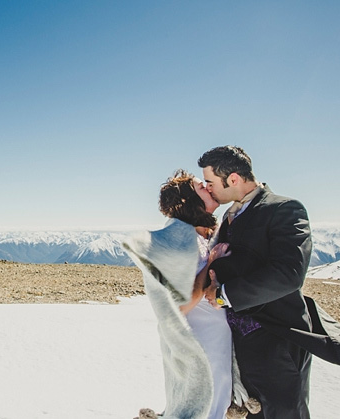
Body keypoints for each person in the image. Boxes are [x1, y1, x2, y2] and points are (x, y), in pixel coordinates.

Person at [124, 169, 252, 419]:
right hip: (201, 341)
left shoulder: (193, 234)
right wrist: (211, 263)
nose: (208, 188)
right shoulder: (182, 240)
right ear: (187, 201)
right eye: (201, 187)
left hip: (209, 337)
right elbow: (178, 304)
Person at [199, 146, 314, 418]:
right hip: (238, 349)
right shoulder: (227, 217)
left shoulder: (284, 209)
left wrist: (223, 295)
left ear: (234, 179)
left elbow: (289, 273)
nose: (208, 188)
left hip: (277, 341)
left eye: (210, 182)